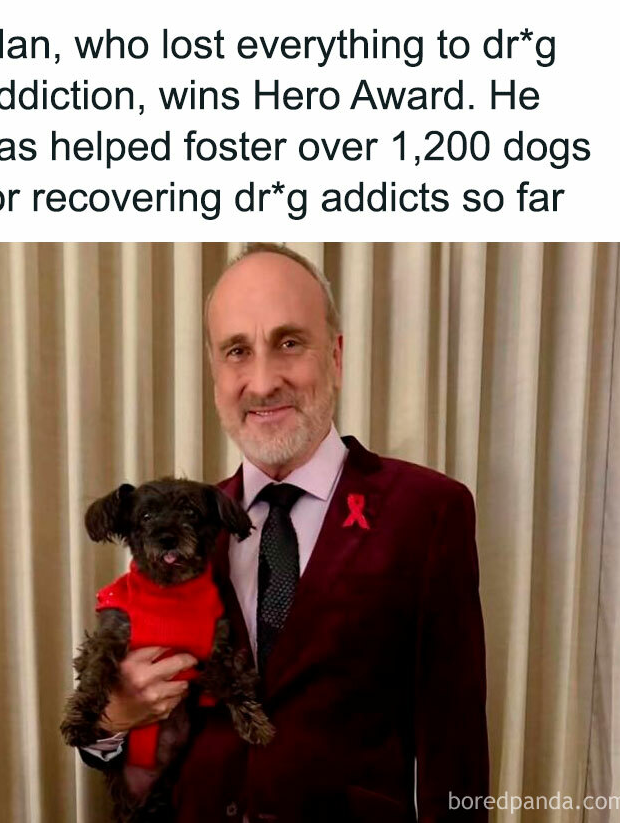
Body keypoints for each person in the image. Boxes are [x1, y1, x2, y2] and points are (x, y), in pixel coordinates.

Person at [80, 244, 489, 822]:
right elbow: (129, 716)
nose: (263, 381)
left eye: (289, 343)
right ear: (216, 372)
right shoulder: (180, 523)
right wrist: (111, 720)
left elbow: (456, 742)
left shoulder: (429, 512)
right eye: (237, 351)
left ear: (337, 357)